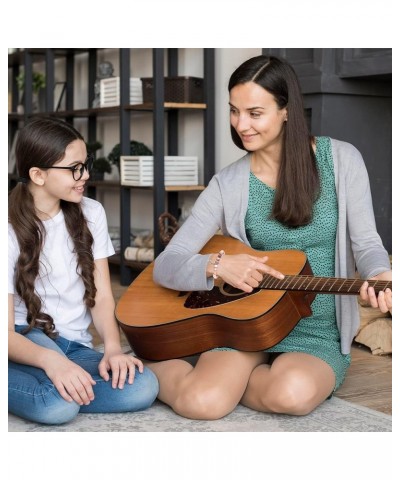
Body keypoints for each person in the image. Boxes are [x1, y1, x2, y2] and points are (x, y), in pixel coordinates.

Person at [150, 55, 392, 420]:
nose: (240, 125)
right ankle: (145, 366)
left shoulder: (342, 160)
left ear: (286, 111)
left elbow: (368, 244)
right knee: (201, 404)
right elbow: (166, 264)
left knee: (291, 395)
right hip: (244, 326)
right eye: (234, 111)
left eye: (254, 113)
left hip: (317, 330)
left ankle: (218, 377)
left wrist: (380, 274)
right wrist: (218, 265)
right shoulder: (228, 183)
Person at [8, 117, 159, 425]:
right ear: (38, 174)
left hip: (75, 346)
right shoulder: (7, 229)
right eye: (74, 168)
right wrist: (51, 361)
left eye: (85, 164)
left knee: (143, 387)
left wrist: (114, 350)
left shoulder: (92, 213)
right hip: (26, 341)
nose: (85, 175)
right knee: (57, 406)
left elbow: (102, 297)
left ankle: (55, 387)